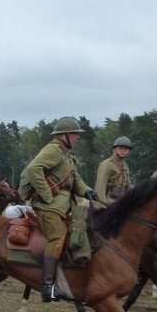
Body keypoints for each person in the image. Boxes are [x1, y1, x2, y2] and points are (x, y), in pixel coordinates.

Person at [23, 116, 95, 302]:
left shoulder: (67, 155)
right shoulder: (53, 150)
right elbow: (33, 169)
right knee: (58, 236)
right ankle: (48, 287)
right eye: (75, 134)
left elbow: (75, 179)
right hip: (49, 206)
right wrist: (47, 195)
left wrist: (87, 192)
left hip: (63, 205)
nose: (78, 137)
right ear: (65, 135)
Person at [94, 136, 133, 205]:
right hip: (109, 202)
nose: (123, 150)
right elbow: (100, 187)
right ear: (114, 149)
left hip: (122, 201)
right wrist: (102, 205)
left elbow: (128, 184)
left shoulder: (124, 165)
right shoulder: (107, 164)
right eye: (120, 148)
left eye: (126, 148)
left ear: (129, 151)